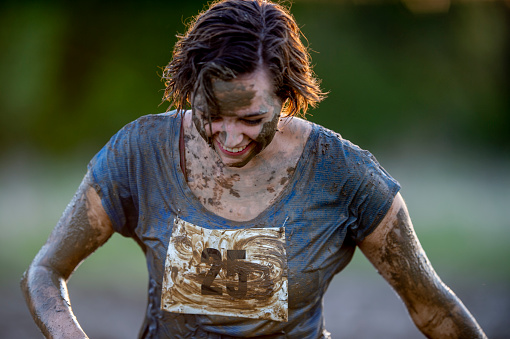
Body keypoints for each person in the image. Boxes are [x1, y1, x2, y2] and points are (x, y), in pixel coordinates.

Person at [21, 0, 487, 338]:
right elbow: (44, 272)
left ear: (286, 97)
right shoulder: (142, 154)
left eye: (250, 120)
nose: (228, 138)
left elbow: (433, 309)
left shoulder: (344, 175)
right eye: (212, 115)